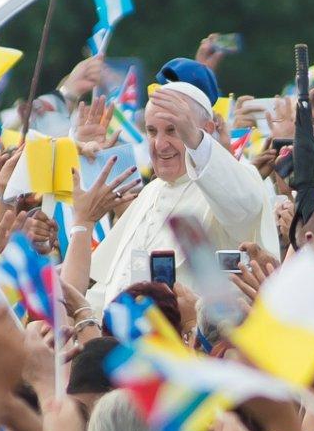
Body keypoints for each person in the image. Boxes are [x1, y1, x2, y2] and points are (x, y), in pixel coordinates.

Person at [86, 80, 276, 311]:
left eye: (173, 130)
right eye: (152, 131)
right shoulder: (151, 191)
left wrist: (196, 141)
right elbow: (109, 284)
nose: (160, 145)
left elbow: (244, 206)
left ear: (207, 130)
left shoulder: (234, 180)